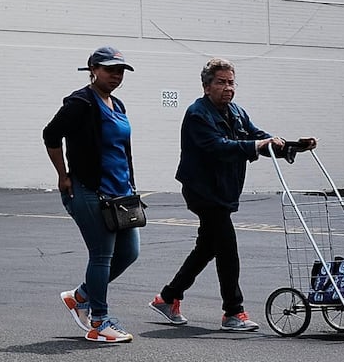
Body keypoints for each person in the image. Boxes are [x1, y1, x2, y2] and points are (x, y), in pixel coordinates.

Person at [149, 58, 314, 332]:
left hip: (223, 190)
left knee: (207, 248)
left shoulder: (235, 111)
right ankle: (233, 312)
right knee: (227, 248)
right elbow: (218, 147)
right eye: (221, 82)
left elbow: (257, 136)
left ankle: (167, 297)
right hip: (203, 190)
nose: (228, 88)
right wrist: (257, 144)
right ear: (206, 86)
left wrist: (293, 145)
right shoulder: (197, 115)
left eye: (231, 82)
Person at [43, 46, 140, 344]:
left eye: (120, 70)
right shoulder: (81, 102)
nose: (116, 75)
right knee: (101, 256)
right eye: (110, 69)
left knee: (129, 253)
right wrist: (63, 176)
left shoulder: (118, 104)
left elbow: (121, 150)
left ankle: (81, 296)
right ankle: (99, 322)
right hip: (89, 191)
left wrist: (131, 184)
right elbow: (51, 134)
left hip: (119, 194)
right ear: (93, 69)